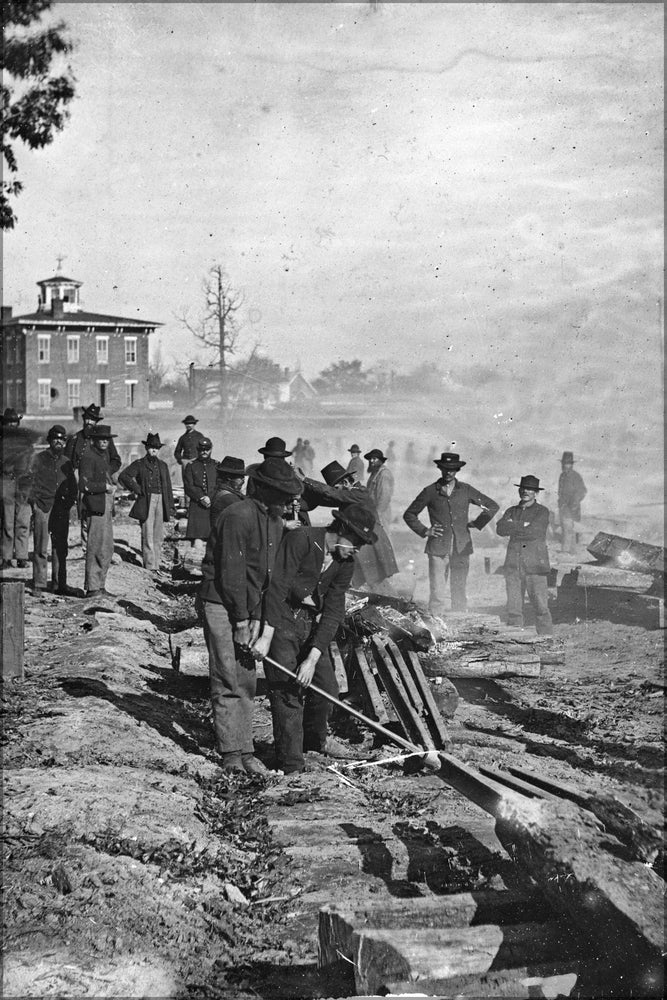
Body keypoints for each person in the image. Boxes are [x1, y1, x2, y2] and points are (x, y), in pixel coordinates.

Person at [251, 505, 377, 775]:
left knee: (327, 689)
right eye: (355, 541)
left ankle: (312, 748)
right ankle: (291, 763)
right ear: (341, 529)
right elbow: (276, 588)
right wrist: (265, 636)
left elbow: (333, 612)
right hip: (280, 618)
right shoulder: (302, 539)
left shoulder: (345, 563)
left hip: (307, 624)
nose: (356, 549)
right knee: (288, 691)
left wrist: (312, 658)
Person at [198, 458, 303, 774]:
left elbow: (265, 576)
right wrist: (243, 622)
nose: (290, 502)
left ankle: (245, 750)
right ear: (267, 491)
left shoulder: (273, 520)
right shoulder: (237, 516)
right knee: (228, 675)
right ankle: (232, 753)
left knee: (245, 677)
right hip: (222, 603)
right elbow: (232, 573)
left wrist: (257, 619)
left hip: (246, 606)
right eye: (284, 495)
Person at [403, 452, 499, 614]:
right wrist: (425, 530)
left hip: (461, 548)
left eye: (453, 469)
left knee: (459, 589)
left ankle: (461, 622)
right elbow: (409, 514)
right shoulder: (430, 491)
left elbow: (492, 506)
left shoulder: (466, 490)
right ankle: (436, 625)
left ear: (457, 470)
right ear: (440, 468)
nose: (449, 472)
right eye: (445, 469)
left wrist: (477, 523)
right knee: (437, 592)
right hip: (437, 547)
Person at [301, 461, 397, 590]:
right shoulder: (349, 493)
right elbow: (325, 496)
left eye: (336, 487)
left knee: (375, 580)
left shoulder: (360, 493)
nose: (335, 491)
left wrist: (305, 479)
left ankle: (394, 603)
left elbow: (330, 493)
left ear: (345, 483)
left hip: (368, 540)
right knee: (365, 579)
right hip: (361, 538)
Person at [496, 475, 553, 635]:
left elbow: (535, 531)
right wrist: (523, 525)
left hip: (535, 566)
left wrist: (513, 526)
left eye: (530, 489)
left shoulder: (542, 512)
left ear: (536, 493)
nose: (526, 491)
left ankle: (548, 646)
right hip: (513, 565)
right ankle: (516, 648)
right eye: (523, 488)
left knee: (541, 608)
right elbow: (500, 529)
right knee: (514, 610)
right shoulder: (511, 510)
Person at [65, 403, 121, 554]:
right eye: (87, 419)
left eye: (93, 420)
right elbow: (67, 462)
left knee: (104, 513)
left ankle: (103, 548)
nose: (89, 423)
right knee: (85, 513)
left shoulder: (104, 439)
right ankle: (86, 548)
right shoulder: (75, 439)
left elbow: (116, 460)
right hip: (82, 480)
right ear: (83, 420)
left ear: (97, 422)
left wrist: (107, 471)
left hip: (103, 482)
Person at [29, 425, 77, 594]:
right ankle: (39, 584)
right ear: (49, 440)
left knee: (60, 547)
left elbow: (73, 487)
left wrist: (68, 504)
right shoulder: (39, 459)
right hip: (43, 507)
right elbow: (28, 482)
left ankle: (59, 584)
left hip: (61, 509)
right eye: (55, 438)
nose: (59, 442)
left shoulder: (66, 462)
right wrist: (35, 502)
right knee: (41, 547)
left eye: (62, 439)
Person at [118, 433, 175, 572]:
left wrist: (171, 505)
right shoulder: (139, 464)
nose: (154, 450)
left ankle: (156, 565)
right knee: (147, 533)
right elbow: (124, 476)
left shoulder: (163, 465)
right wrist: (138, 489)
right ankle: (149, 566)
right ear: (146, 448)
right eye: (151, 447)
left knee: (158, 535)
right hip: (146, 501)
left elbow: (168, 487)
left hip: (161, 500)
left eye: (156, 448)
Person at [78, 425, 118, 598]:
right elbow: (84, 485)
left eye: (107, 439)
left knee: (107, 547)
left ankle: (100, 585)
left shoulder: (103, 456)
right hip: (95, 506)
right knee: (95, 546)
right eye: (101, 438)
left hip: (105, 505)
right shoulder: (88, 457)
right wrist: (105, 487)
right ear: (93, 440)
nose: (104, 441)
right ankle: (93, 587)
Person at [1, 408, 34, 569]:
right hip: (6, 481)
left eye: (14, 422)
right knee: (7, 520)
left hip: (23, 483)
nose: (12, 425)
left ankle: (21, 555)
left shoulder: (25, 441)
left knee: (22, 519)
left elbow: (31, 460)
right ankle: (6, 557)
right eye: (8, 423)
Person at [182, 437, 217, 542]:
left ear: (211, 449)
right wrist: (201, 497)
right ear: (198, 450)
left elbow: (219, 484)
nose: (204, 452)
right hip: (197, 506)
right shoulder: (191, 466)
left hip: (213, 504)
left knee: (214, 538)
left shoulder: (216, 465)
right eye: (202, 449)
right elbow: (188, 486)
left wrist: (210, 497)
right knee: (197, 540)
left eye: (207, 449)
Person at [558, 452, 587, 555]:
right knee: (567, 529)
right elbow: (560, 492)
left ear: (571, 465)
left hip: (571, 508)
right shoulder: (562, 476)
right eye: (564, 463)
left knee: (568, 529)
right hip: (563, 508)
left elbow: (582, 491)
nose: (565, 465)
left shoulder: (576, 476)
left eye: (568, 463)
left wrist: (574, 503)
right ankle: (572, 552)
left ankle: (566, 551)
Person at [209, 456, 246, 525]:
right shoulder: (229, 498)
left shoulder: (220, 491)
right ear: (229, 477)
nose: (243, 481)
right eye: (240, 477)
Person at [365, 448, 394, 528]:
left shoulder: (384, 474)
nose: (371, 461)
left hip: (381, 513)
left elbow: (385, 497)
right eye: (370, 459)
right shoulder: (375, 473)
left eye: (374, 458)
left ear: (380, 460)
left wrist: (378, 514)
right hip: (373, 512)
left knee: (383, 537)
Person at [174, 416, 207, 481]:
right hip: (185, 462)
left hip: (197, 461)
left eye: (191, 423)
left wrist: (201, 460)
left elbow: (204, 449)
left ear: (194, 424)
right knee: (187, 480)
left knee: (197, 480)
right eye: (187, 424)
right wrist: (181, 460)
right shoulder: (183, 437)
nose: (189, 425)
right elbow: (177, 451)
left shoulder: (199, 436)